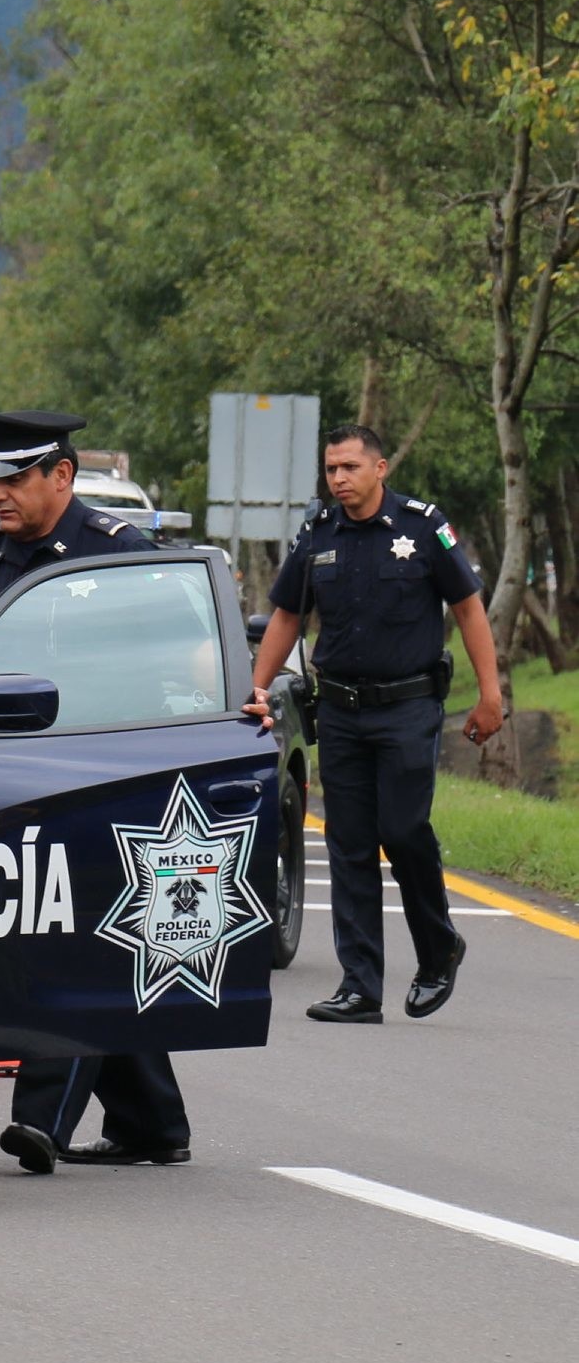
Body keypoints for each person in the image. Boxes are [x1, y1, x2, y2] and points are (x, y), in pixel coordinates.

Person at [0, 409, 192, 1176]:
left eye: (12, 479)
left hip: (98, 780)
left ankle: (41, 1115)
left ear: (60, 477)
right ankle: (152, 1121)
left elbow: (184, 657)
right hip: (5, 787)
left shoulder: (117, 555)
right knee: (65, 940)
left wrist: (242, 702)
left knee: (74, 943)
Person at [246, 424, 502, 1024]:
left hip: (408, 708)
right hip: (339, 711)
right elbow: (287, 615)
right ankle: (360, 986)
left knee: (404, 829)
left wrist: (490, 694)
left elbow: (468, 607)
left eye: (351, 468)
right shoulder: (318, 533)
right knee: (350, 843)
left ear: (380, 468)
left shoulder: (421, 526)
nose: (339, 479)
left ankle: (438, 948)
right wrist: (257, 688)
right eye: (331, 469)